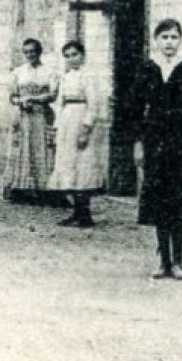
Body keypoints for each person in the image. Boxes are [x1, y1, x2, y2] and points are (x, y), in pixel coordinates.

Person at [135, 19, 182, 280]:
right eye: (164, 37)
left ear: (180, 40)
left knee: (179, 199)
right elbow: (136, 110)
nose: (169, 42)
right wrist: (139, 144)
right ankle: (162, 259)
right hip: (155, 140)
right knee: (158, 199)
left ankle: (178, 260)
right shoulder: (147, 69)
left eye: (174, 37)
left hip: (181, 141)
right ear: (156, 40)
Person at [47, 40, 108, 228]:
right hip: (67, 121)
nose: (71, 59)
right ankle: (76, 212)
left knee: (82, 166)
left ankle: (85, 214)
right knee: (68, 165)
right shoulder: (65, 77)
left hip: (80, 120)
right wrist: (56, 127)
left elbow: (94, 105)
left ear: (82, 55)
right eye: (67, 56)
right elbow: (60, 104)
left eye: (74, 55)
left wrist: (86, 128)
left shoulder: (88, 76)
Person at [2, 38, 60, 203]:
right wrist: (20, 101)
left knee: (41, 148)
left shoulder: (50, 72)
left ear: (39, 52)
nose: (30, 55)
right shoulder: (18, 72)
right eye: (26, 52)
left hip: (41, 115)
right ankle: (21, 189)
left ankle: (43, 190)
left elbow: (53, 95)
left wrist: (33, 98)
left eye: (33, 52)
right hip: (23, 115)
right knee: (22, 149)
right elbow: (12, 96)